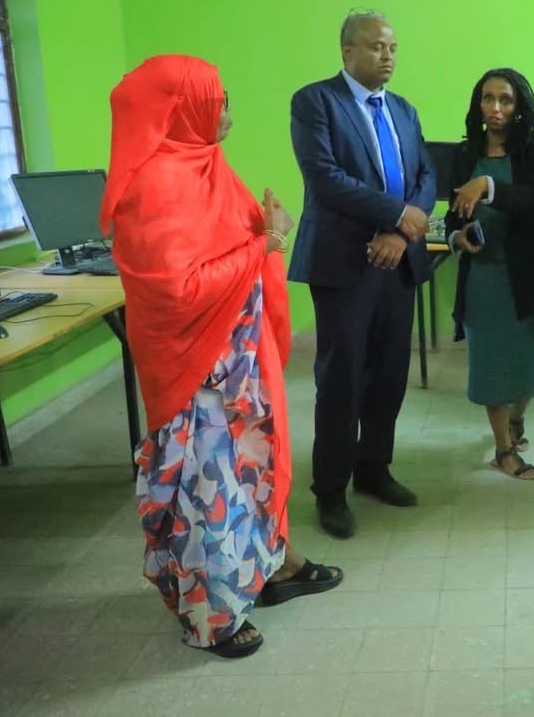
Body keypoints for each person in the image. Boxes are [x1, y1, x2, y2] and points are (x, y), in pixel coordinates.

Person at [102, 55, 342, 659]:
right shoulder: (157, 185)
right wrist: (270, 240)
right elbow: (179, 289)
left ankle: (268, 570)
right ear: (184, 109)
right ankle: (210, 617)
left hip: (236, 367)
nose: (228, 111)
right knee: (209, 492)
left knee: (250, 476)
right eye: (218, 100)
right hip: (198, 373)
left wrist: (263, 233)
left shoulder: (203, 165)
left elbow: (231, 245)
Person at [289, 10, 437, 538]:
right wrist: (396, 214)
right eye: (377, 47)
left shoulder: (403, 109)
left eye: (393, 47)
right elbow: (325, 178)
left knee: (389, 375)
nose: (388, 56)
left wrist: (401, 233)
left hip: (396, 261)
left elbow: (426, 175)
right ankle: (331, 489)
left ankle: (374, 469)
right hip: (343, 263)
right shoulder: (316, 102)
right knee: (341, 378)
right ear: (347, 50)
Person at [444, 68, 534, 479]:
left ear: (519, 107)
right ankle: (503, 449)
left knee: (528, 368)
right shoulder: (464, 153)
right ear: (478, 104)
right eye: (487, 98)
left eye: (505, 100)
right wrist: (457, 238)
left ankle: (517, 416)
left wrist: (487, 186)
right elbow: (452, 215)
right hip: (484, 278)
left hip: (530, 276)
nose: (495, 107)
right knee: (491, 365)